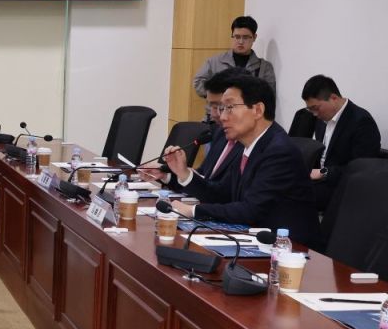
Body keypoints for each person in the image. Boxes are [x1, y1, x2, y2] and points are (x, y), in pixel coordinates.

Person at [153, 75, 320, 247]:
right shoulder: (248, 145)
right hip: (254, 238)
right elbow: (223, 195)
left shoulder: (279, 150)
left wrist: (194, 210)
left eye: (229, 108)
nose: (222, 117)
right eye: (222, 108)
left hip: (289, 249)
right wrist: (183, 173)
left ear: (258, 110)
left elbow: (251, 210)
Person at [301, 74, 382, 210]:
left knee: (294, 195)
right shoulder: (321, 119)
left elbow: (361, 169)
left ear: (333, 98)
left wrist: (324, 172)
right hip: (321, 181)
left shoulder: (361, 122)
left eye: (316, 108)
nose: (314, 114)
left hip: (343, 186)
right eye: (310, 110)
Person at [192, 16, 276, 120]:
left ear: (254, 37)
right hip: (216, 119)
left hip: (248, 121)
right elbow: (198, 82)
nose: (240, 41)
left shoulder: (264, 67)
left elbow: (269, 96)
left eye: (246, 37)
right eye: (237, 37)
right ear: (232, 36)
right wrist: (219, 94)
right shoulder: (215, 61)